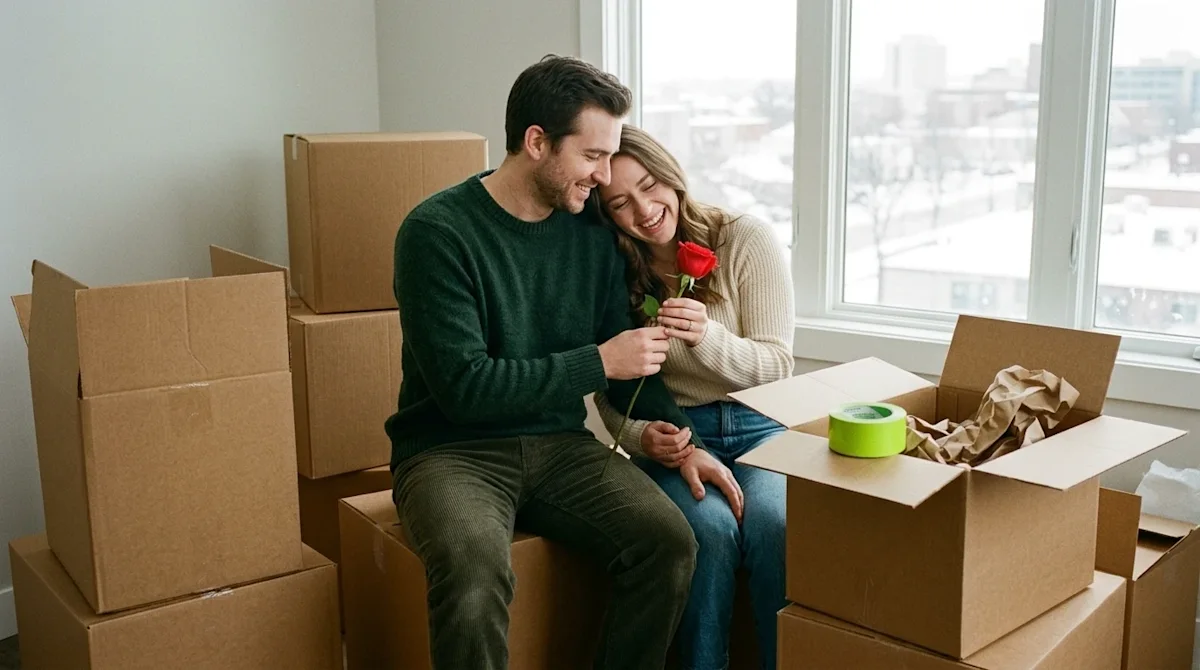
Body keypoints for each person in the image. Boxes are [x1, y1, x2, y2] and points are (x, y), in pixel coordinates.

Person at [387, 55, 735, 670]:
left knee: (668, 541)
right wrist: (598, 361)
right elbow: (465, 389)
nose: (604, 177)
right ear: (537, 142)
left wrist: (681, 442)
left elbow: (630, 353)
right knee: (473, 570)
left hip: (558, 446)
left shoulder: (590, 233)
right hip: (450, 451)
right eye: (593, 156)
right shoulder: (436, 232)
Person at [592, 124, 796, 670]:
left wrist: (709, 339)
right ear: (607, 214)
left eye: (650, 184)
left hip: (764, 428)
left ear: (672, 174)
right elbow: (610, 397)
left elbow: (779, 366)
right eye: (620, 203)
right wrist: (644, 438)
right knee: (705, 530)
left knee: (773, 525)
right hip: (680, 437)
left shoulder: (743, 239)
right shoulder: (612, 270)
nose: (644, 209)